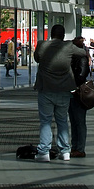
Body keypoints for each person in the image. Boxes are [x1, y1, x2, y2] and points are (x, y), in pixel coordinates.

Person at [33, 24, 87, 162]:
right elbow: (83, 53)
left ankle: (44, 151)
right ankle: (65, 151)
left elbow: (37, 58)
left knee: (45, 121)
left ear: (51, 34)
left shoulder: (42, 45)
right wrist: (76, 43)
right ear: (63, 35)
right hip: (64, 90)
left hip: (46, 89)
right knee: (62, 120)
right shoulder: (68, 47)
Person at [69, 36, 90, 158]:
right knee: (75, 121)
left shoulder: (80, 58)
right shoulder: (77, 58)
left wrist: (72, 83)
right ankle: (76, 146)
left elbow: (81, 75)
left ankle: (79, 148)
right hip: (74, 92)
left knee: (78, 121)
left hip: (77, 92)